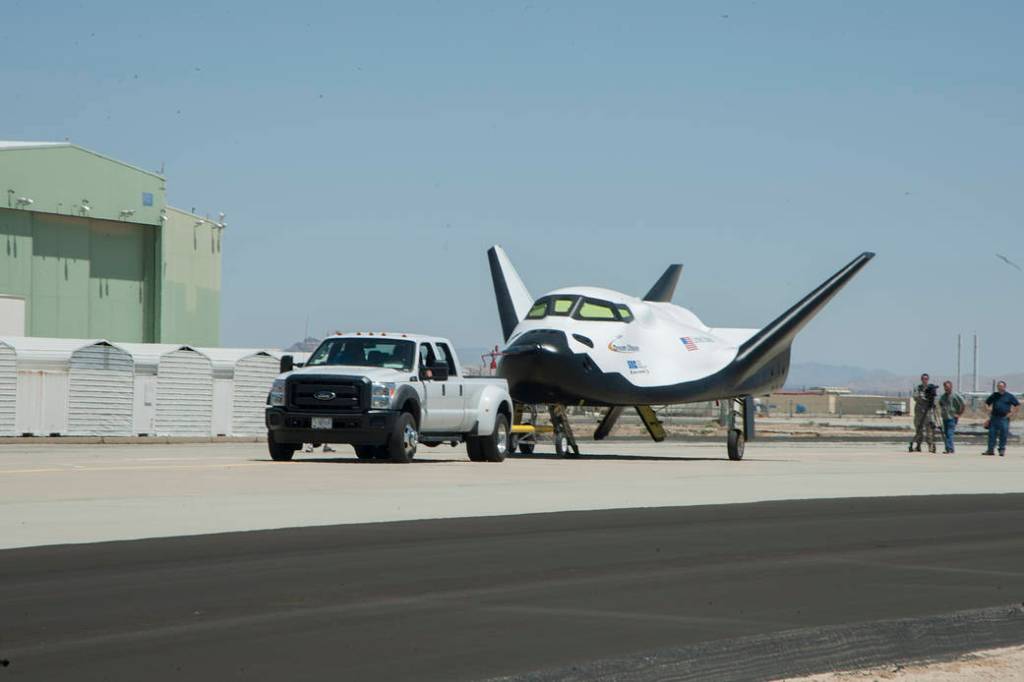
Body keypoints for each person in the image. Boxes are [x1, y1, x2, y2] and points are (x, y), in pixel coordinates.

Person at [983, 381, 1020, 457]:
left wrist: (1011, 413)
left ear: (1004, 387)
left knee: (1003, 434)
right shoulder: (994, 395)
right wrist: (988, 409)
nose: (1000, 387)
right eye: (998, 386)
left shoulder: (1009, 396)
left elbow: (1017, 405)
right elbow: (987, 402)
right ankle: (990, 450)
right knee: (992, 434)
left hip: (1004, 418)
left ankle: (1002, 450)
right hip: (994, 418)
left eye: (1001, 386)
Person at [909, 373, 938, 453]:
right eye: (923, 379)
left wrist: (931, 400)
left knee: (929, 430)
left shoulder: (931, 388)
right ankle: (918, 446)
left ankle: (930, 446)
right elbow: (915, 397)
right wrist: (924, 397)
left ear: (928, 379)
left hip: (928, 412)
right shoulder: (918, 388)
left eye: (926, 379)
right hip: (919, 412)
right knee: (919, 430)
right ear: (921, 379)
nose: (924, 380)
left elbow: (934, 399)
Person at [938, 380, 965, 454]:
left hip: (952, 418)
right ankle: (949, 448)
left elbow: (963, 404)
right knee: (946, 433)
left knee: (950, 433)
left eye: (948, 387)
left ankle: (949, 448)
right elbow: (940, 403)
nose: (946, 389)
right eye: (945, 387)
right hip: (945, 417)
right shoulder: (943, 396)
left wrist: (959, 414)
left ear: (951, 387)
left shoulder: (955, 395)